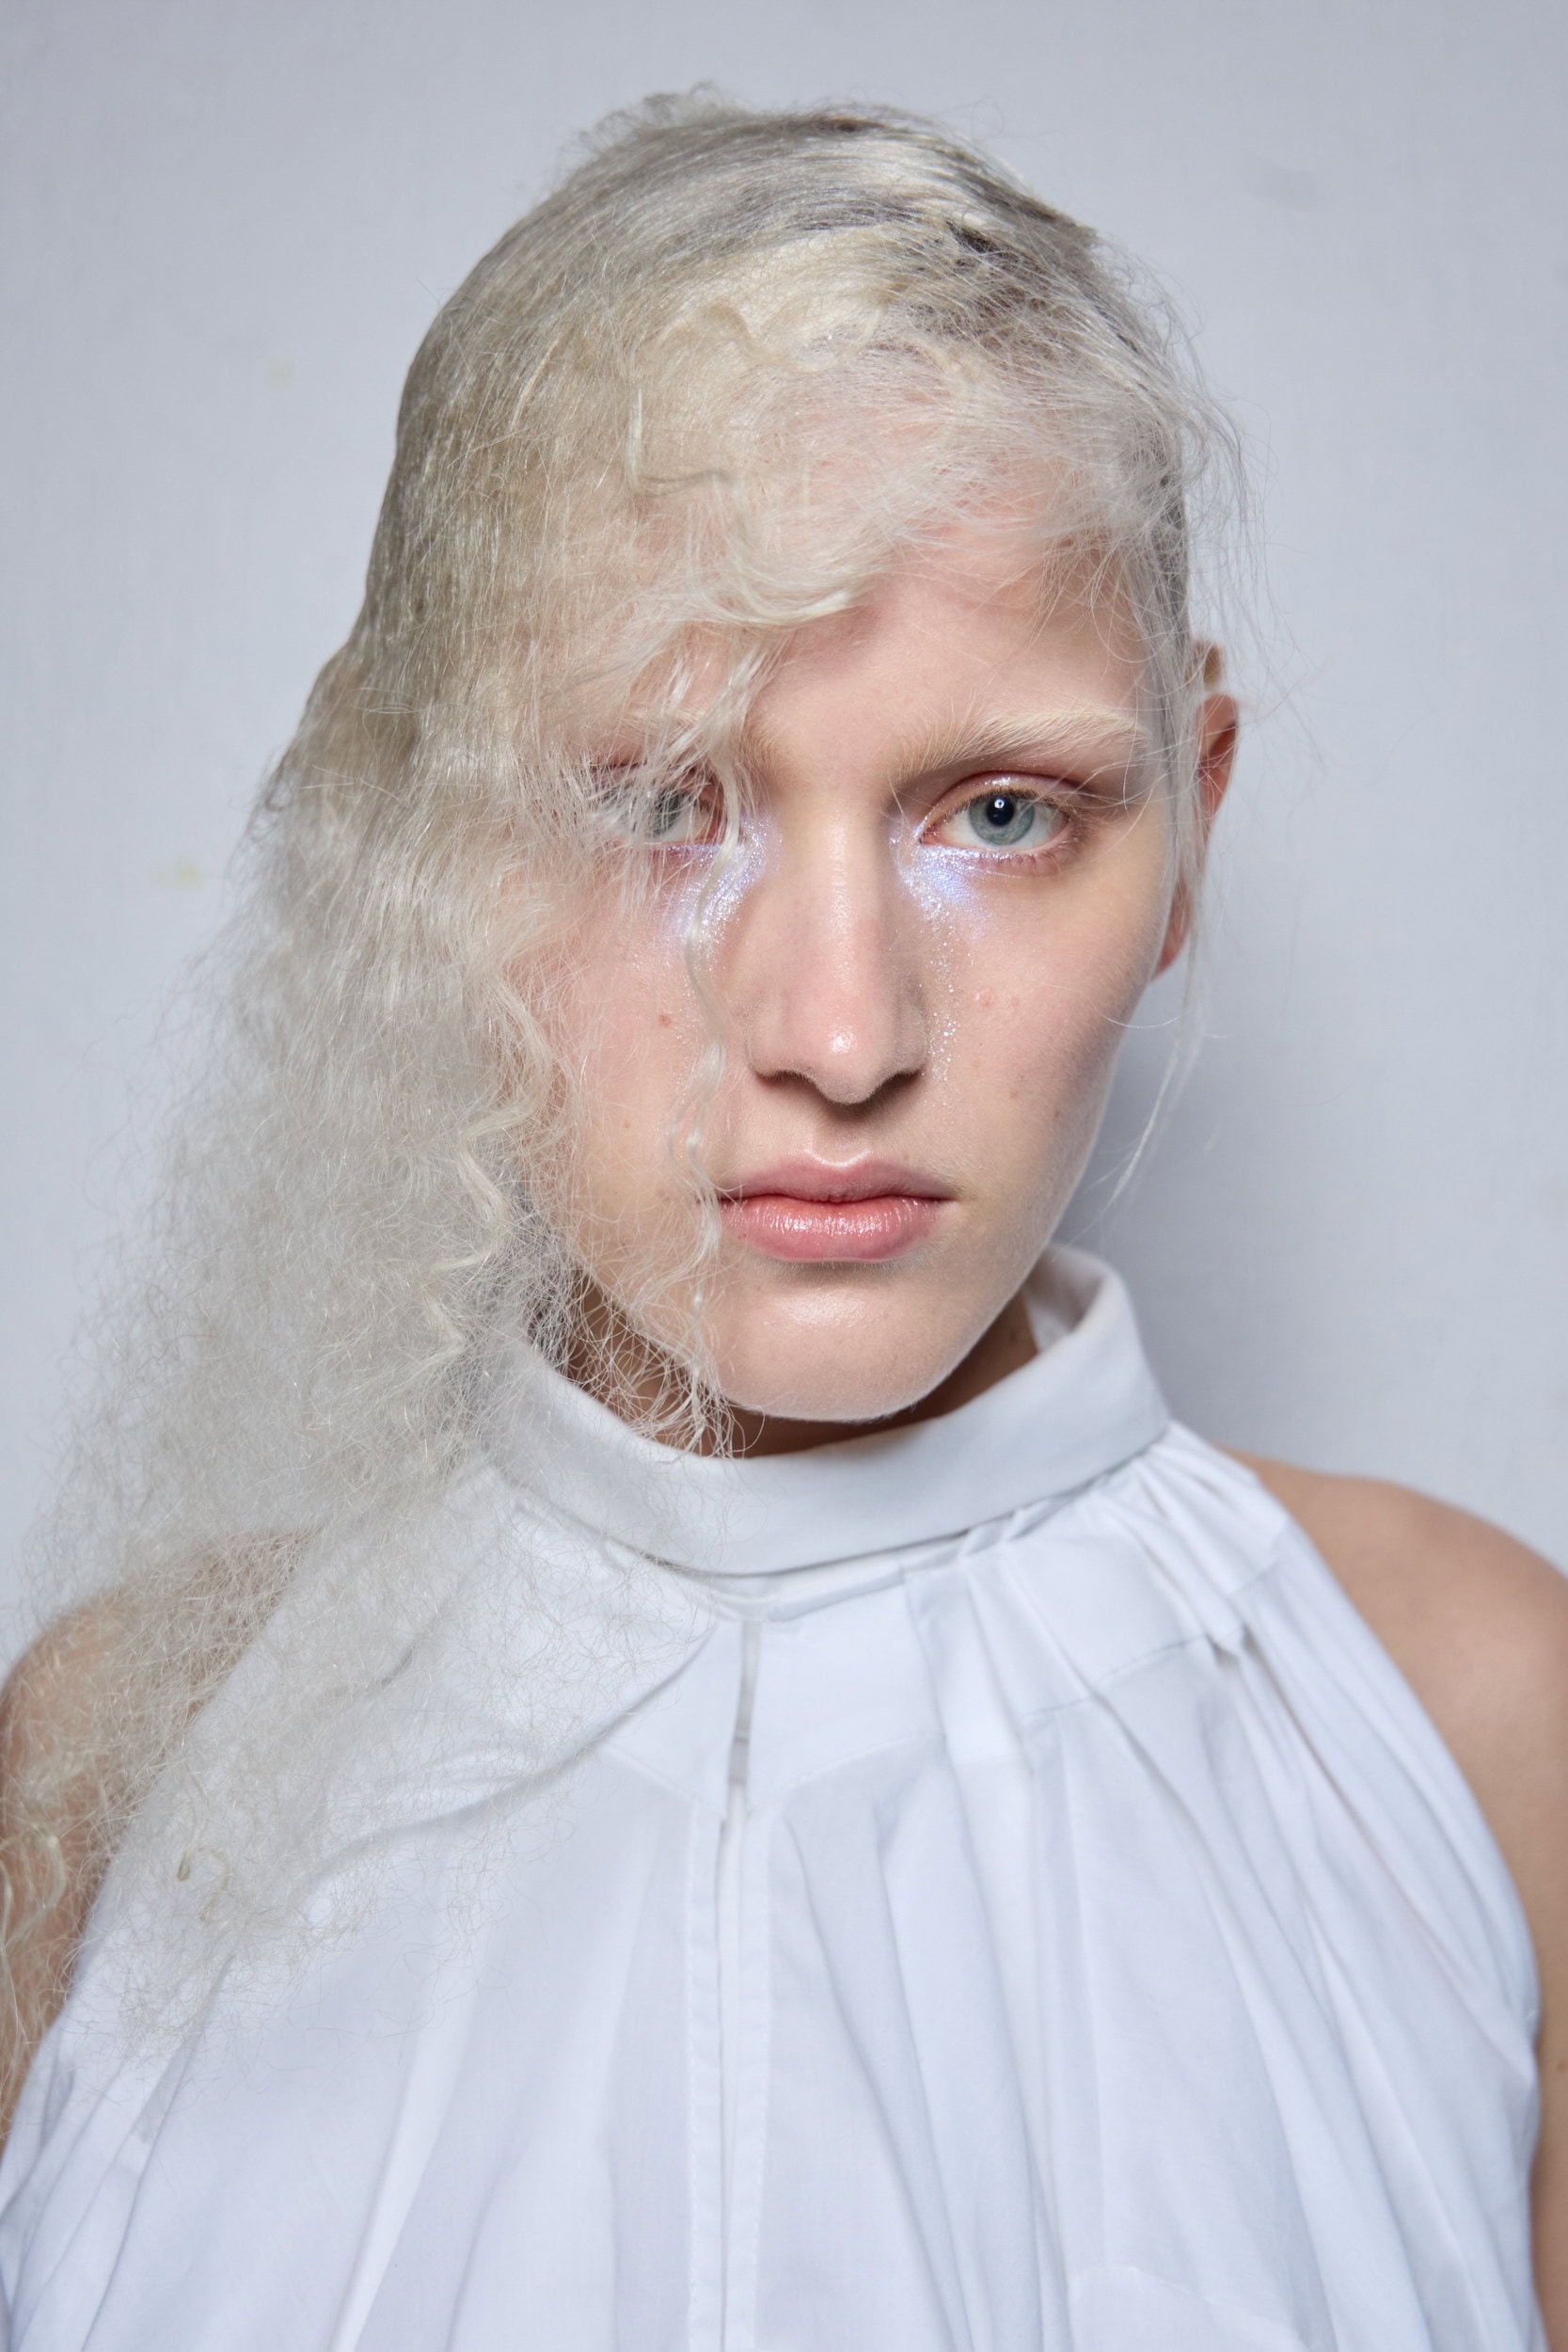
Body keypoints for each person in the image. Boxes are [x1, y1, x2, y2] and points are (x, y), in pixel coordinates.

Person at [0, 93, 1564, 2352]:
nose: (840, 1032)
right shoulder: (116, 1760)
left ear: (1188, 838)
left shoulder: (1479, 1726)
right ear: (422, 850)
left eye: (1000, 813)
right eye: (663, 800)